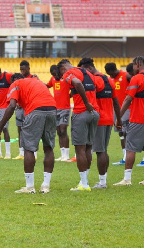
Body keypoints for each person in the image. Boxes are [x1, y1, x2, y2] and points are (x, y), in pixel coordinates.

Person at [0, 73, 56, 193]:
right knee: (48, 148)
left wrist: (0, 127)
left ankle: (30, 187)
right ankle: (45, 186)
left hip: (35, 110)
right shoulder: (36, 81)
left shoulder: (15, 84)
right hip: (52, 109)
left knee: (28, 149)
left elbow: (12, 105)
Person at [113, 56, 144, 187]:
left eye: (133, 66)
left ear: (137, 65)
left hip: (137, 119)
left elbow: (128, 99)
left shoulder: (136, 78)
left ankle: (127, 179)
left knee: (130, 149)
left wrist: (119, 117)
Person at [58, 59, 103, 191]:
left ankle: (84, 184)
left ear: (62, 69)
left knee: (80, 149)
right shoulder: (88, 72)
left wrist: (85, 102)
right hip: (94, 113)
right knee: (88, 147)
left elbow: (77, 83)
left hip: (82, 112)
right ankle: (84, 181)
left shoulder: (69, 73)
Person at [81, 58, 122, 189]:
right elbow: (115, 102)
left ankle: (101, 182)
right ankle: (103, 180)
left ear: (89, 68)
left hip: (98, 119)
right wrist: (119, 119)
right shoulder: (109, 80)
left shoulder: (94, 80)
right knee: (103, 150)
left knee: (99, 151)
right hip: (109, 118)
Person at [13, 60, 38, 160]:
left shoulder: (34, 78)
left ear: (28, 68)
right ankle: (21, 153)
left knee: (32, 130)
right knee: (20, 130)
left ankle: (34, 153)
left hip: (30, 108)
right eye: (21, 69)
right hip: (20, 109)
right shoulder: (19, 79)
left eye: (24, 69)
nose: (22, 71)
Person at [46, 64, 72, 162]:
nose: (54, 76)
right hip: (55, 108)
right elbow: (46, 86)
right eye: (52, 74)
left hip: (65, 108)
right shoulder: (52, 79)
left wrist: (68, 96)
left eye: (55, 73)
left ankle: (67, 155)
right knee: (58, 131)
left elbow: (74, 88)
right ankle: (62, 155)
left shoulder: (66, 78)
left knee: (63, 130)